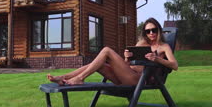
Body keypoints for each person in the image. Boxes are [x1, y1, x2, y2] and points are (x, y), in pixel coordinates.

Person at [47, 18, 178, 86]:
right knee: (100, 64)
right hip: (127, 75)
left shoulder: (163, 47)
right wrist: (127, 58)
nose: (151, 33)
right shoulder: (142, 44)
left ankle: (79, 78)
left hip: (139, 80)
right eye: (147, 31)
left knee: (106, 51)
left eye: (153, 30)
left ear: (158, 30)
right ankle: (64, 78)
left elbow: (175, 66)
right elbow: (129, 65)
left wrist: (157, 59)